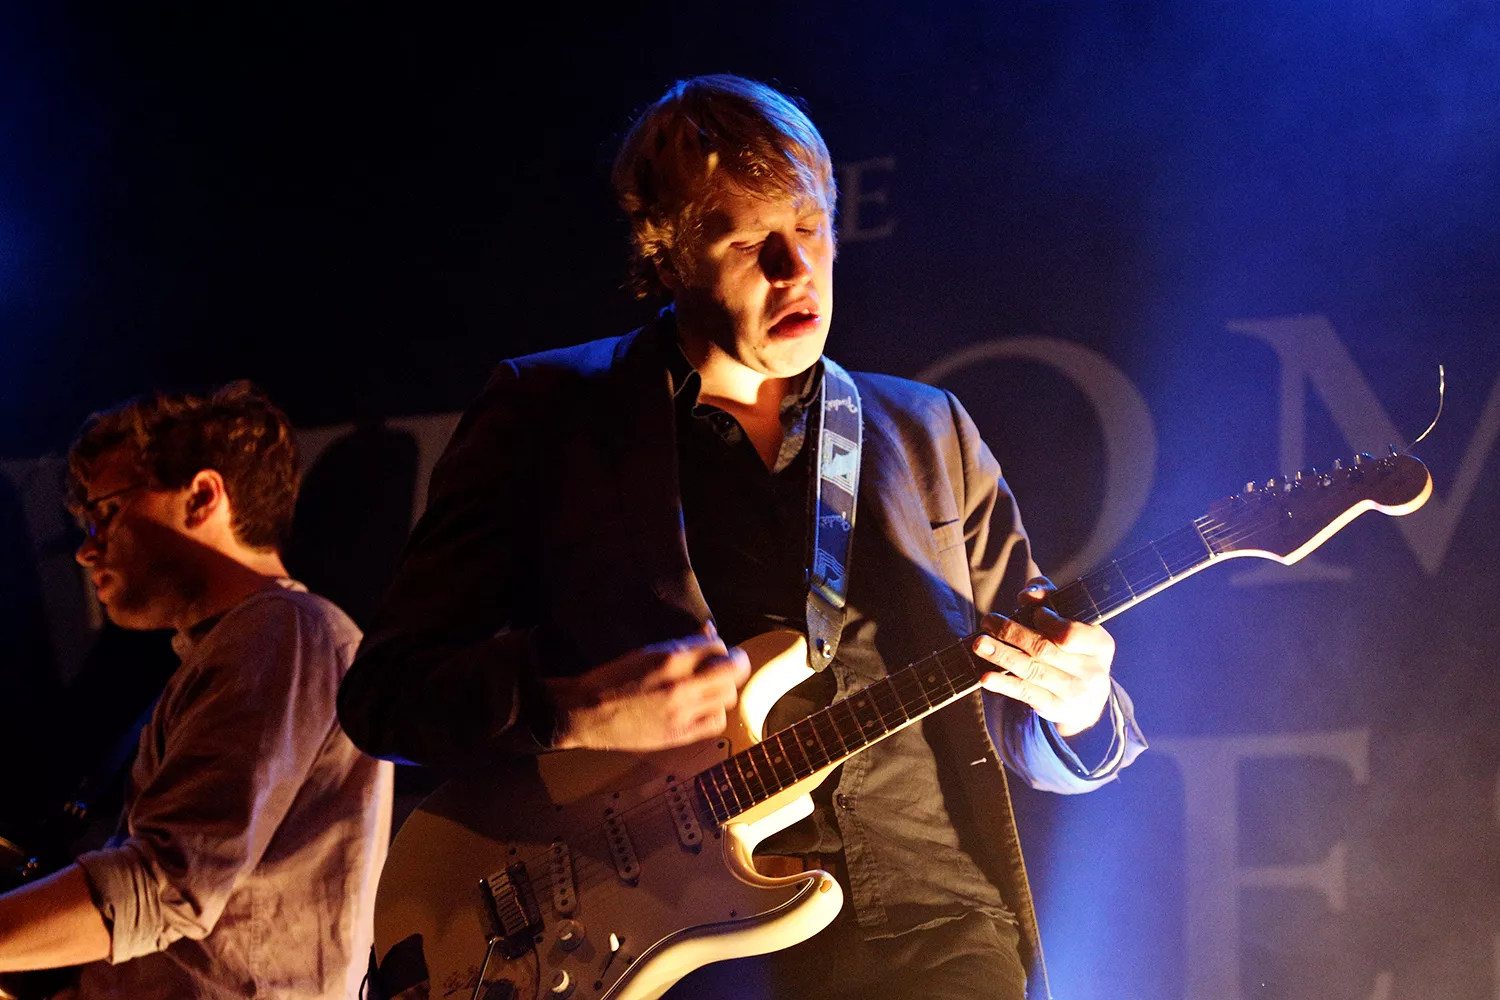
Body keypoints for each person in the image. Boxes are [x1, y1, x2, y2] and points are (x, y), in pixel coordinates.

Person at [338, 75, 1145, 1000]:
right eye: (747, 241)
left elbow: (1034, 712)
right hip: (679, 949)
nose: (794, 267)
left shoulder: (929, 432)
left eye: (810, 226)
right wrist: (571, 707)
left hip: (943, 925)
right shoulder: (549, 411)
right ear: (668, 259)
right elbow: (385, 695)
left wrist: (1077, 703)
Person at [0, 382, 393, 999]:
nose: (86, 550)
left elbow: (166, 885)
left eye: (105, 514)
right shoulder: (247, 646)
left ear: (203, 496)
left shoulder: (283, 630)